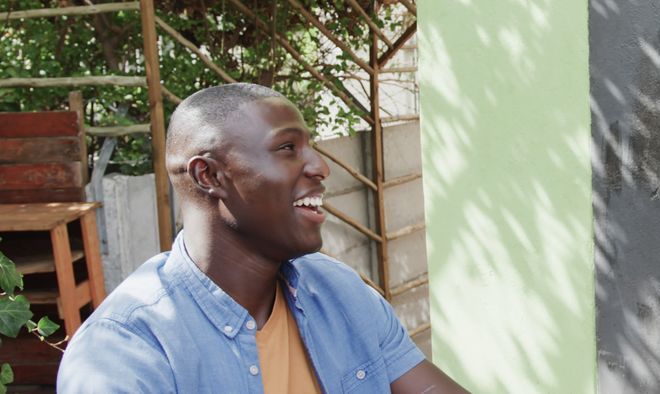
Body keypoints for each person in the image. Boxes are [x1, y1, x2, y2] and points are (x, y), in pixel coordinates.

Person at [58, 83, 467, 393]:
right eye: (288, 147)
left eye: (311, 146)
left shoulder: (338, 293)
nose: (321, 167)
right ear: (210, 176)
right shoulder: (127, 353)